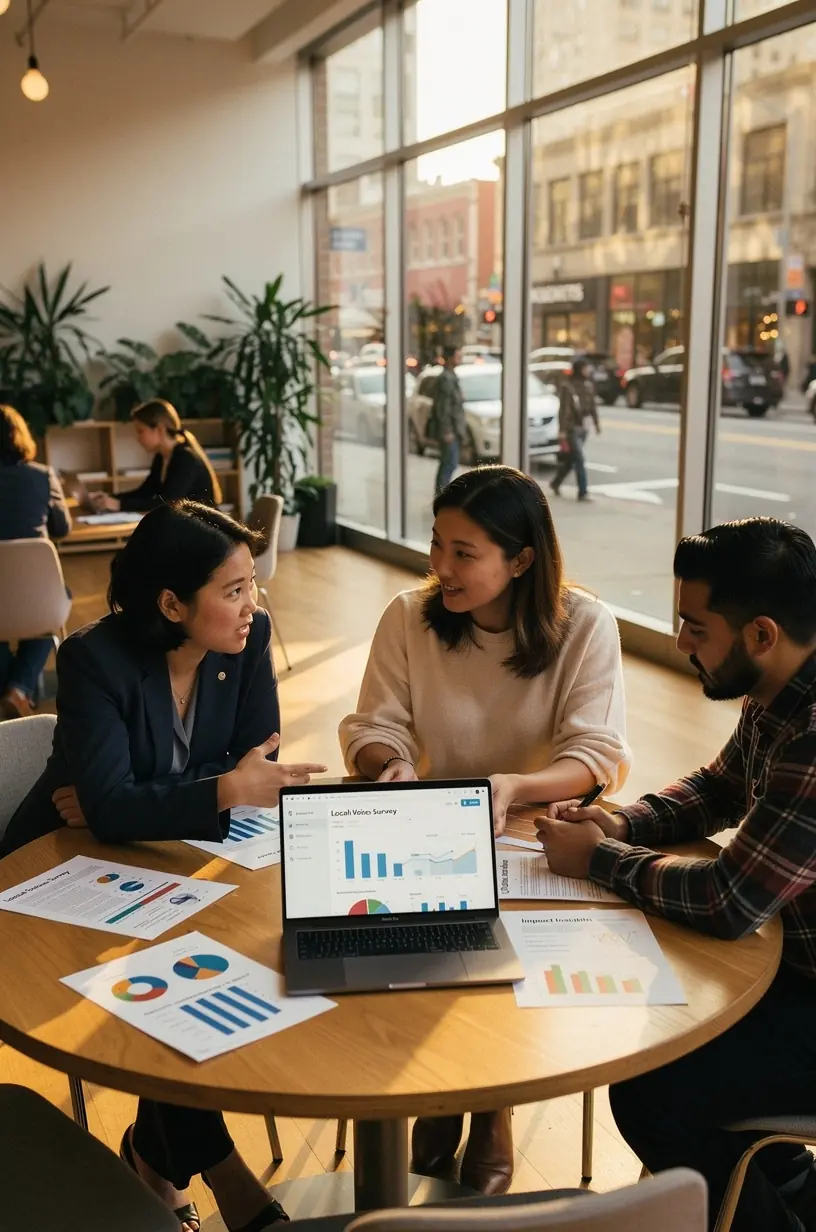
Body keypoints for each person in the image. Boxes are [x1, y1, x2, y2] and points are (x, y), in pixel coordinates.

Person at [3, 500, 327, 1232]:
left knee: (194, 987)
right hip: (60, 877)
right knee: (169, 995)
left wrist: (156, 796)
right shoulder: (94, 658)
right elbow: (119, 808)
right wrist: (216, 789)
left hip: (173, 866)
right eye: (234, 590)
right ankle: (227, 1180)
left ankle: (153, 1160)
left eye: (253, 585)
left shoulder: (250, 641)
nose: (253, 606)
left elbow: (246, 759)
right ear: (172, 602)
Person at [339, 465, 631, 1195]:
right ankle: (446, 1095)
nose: (440, 567)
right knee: (418, 939)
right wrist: (392, 769)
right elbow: (371, 726)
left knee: (509, 945)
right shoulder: (409, 616)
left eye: (463, 553)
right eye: (437, 544)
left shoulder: (584, 625)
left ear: (522, 559)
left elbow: (596, 755)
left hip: (534, 840)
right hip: (429, 829)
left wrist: (515, 788)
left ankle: (489, 1106)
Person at [538, 517, 816, 1232]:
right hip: (792, 960)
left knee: (650, 1084)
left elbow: (730, 901)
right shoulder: (779, 689)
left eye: (695, 627)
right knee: (659, 1008)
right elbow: (720, 788)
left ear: (760, 634)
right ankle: (787, 1180)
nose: (681, 642)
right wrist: (623, 824)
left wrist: (598, 858)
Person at [0, 403, 71, 719]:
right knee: (57, 601)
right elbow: (62, 528)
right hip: (36, 600)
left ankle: (9, 687)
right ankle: (18, 688)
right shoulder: (42, 476)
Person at [88, 399, 221, 513]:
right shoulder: (162, 456)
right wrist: (110, 498)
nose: (138, 438)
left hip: (203, 531)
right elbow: (145, 492)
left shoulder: (185, 458)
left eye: (140, 431)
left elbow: (168, 503)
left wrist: (118, 505)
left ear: (159, 429)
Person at [549, 357, 601, 502]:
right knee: (579, 459)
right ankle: (582, 492)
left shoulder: (588, 385)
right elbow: (564, 410)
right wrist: (563, 430)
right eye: (585, 368)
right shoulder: (568, 387)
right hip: (571, 428)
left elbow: (592, 407)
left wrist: (597, 424)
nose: (588, 371)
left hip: (583, 427)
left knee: (572, 460)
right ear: (579, 369)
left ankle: (555, 482)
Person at [427, 346, 468, 494]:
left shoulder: (452, 376)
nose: (460, 359)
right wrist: (447, 431)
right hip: (449, 430)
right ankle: (441, 495)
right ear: (449, 358)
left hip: (454, 428)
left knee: (449, 462)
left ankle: (441, 494)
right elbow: (442, 409)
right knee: (449, 463)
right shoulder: (446, 379)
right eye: (457, 356)